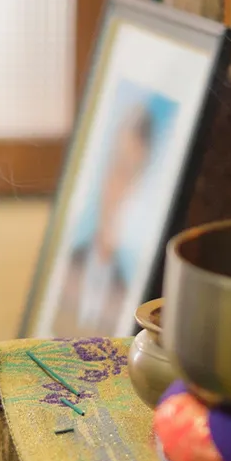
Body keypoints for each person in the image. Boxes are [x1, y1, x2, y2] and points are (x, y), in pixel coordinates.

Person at [53, 102, 158, 336]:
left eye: (133, 173)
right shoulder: (64, 268)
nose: (120, 186)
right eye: (118, 165)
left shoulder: (129, 294)